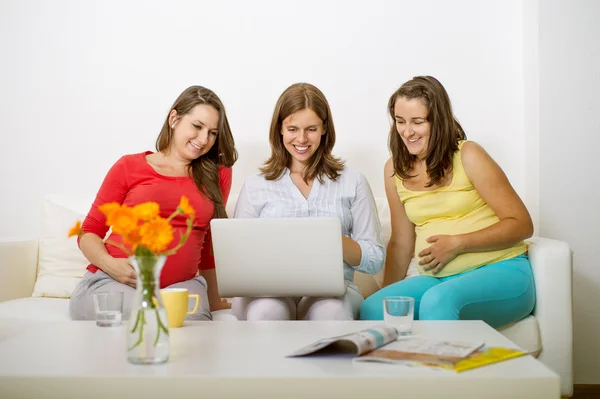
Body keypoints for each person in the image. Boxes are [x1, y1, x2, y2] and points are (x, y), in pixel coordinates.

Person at [360, 76, 535, 328]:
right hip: (437, 280)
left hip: (501, 270)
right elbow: (401, 242)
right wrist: (389, 295)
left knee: (439, 301)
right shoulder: (393, 170)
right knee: (373, 309)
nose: (407, 132)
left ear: (438, 120)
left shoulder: (469, 155)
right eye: (400, 121)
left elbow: (521, 224)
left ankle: (443, 366)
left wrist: (458, 244)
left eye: (417, 122)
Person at [69, 85, 237, 321]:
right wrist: (110, 264)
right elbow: (89, 232)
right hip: (113, 282)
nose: (203, 139)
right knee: (150, 317)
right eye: (197, 127)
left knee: (191, 327)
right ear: (174, 118)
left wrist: (215, 300)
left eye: (212, 132)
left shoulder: (217, 174)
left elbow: (207, 243)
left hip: (182, 286)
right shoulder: (129, 167)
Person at [232, 83, 385, 321]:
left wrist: (335, 239)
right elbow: (238, 257)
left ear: (324, 128)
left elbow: (374, 259)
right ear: (280, 130)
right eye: (292, 129)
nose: (301, 139)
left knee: (331, 313)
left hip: (332, 294)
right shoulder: (256, 185)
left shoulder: (353, 182)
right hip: (268, 294)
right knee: (266, 312)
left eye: (311, 129)